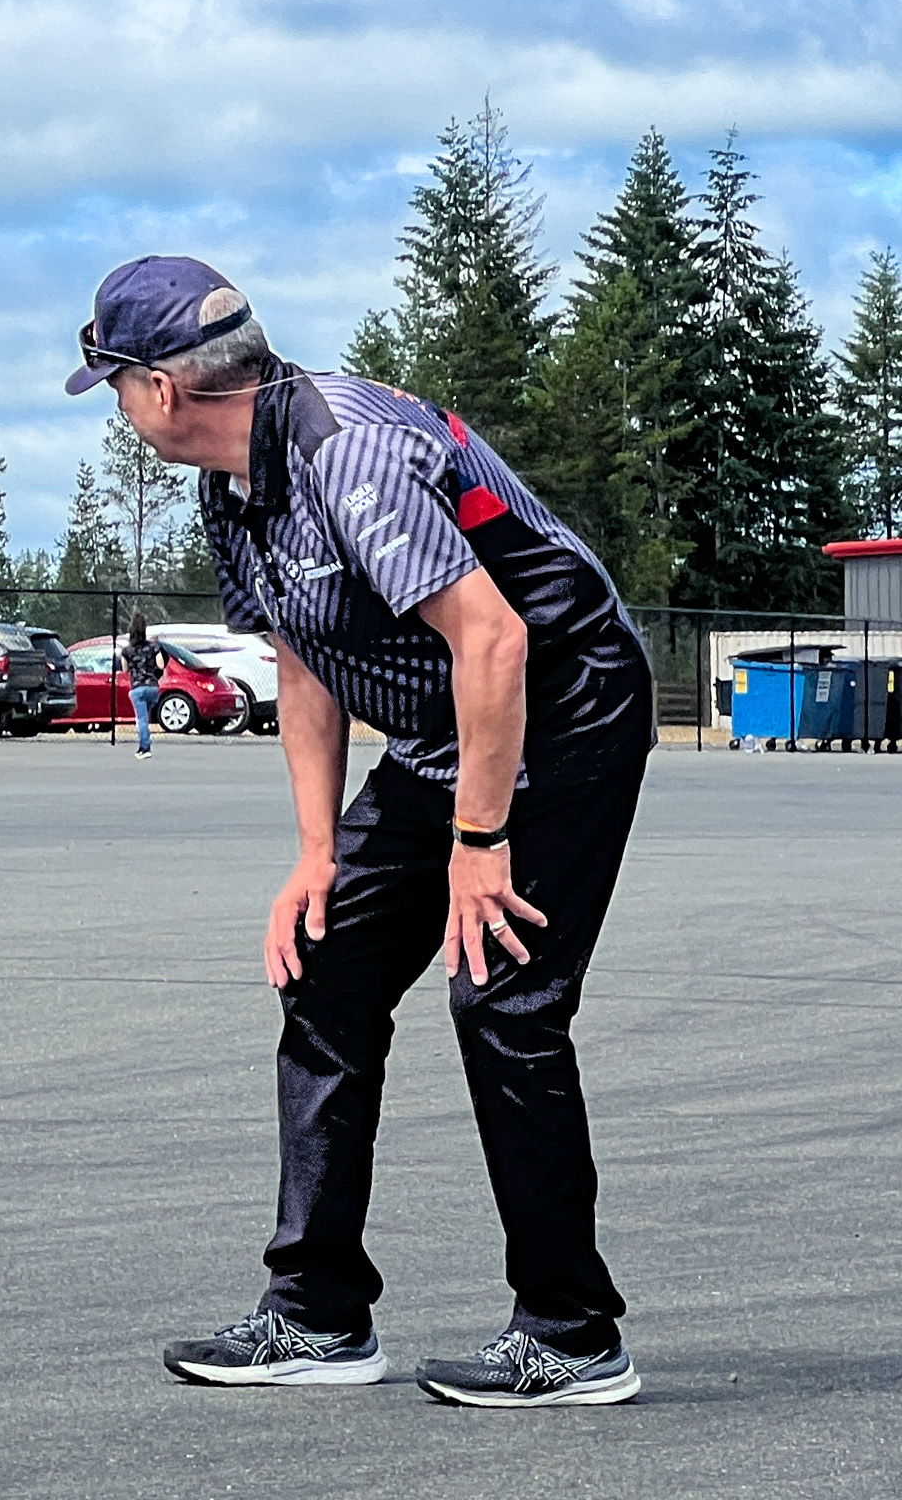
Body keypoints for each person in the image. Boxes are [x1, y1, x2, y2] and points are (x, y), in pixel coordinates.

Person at [66, 254, 654, 1409]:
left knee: (501, 992)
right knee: (328, 973)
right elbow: (303, 656)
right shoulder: (238, 483)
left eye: (114, 388)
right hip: (452, 726)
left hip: (567, 702)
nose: (120, 414)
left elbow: (494, 641)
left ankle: (574, 1331)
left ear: (161, 388)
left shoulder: (350, 451)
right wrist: (317, 851)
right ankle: (319, 1312)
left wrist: (478, 844)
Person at [122, 615, 164, 758]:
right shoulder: (153, 647)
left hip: (137, 688)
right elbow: (161, 665)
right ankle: (143, 743)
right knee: (145, 716)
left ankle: (145, 748)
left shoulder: (127, 651)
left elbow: (125, 670)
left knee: (141, 719)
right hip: (153, 687)